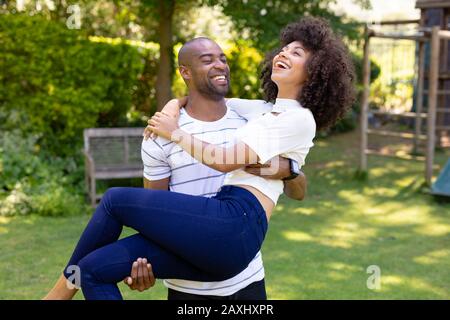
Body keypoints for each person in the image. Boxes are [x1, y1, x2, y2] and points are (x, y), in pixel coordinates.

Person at [44, 16, 355, 300]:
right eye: (284, 49)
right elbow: (206, 98)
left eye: (297, 53)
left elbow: (225, 161)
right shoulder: (259, 110)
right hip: (204, 252)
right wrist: (170, 107)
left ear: (315, 72)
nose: (284, 54)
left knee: (113, 200)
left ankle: (56, 296)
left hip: (236, 226)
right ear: (185, 72)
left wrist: (174, 132)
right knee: (94, 269)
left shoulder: (297, 118)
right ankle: (66, 288)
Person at [123, 38, 307, 299]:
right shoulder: (161, 134)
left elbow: (298, 192)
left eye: (222, 58)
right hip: (187, 287)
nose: (220, 65)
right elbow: (155, 211)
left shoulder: (254, 120)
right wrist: (145, 262)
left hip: (248, 280)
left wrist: (289, 171)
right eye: (207, 60)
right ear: (184, 72)